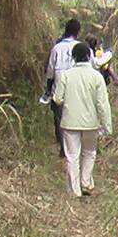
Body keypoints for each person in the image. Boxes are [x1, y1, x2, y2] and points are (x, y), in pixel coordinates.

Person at [51, 41, 113, 198]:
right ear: (88, 56)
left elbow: (58, 99)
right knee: (89, 153)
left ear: (73, 57)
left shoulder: (66, 75)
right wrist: (107, 125)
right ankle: (86, 183)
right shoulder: (97, 77)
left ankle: (75, 191)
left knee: (72, 156)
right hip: (91, 123)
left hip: (70, 122)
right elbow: (102, 104)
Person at [43, 18, 82, 156]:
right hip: (76, 85)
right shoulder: (81, 47)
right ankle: (74, 145)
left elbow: (50, 70)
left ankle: (63, 147)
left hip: (59, 83)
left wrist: (48, 89)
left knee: (59, 116)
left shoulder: (56, 48)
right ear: (78, 31)